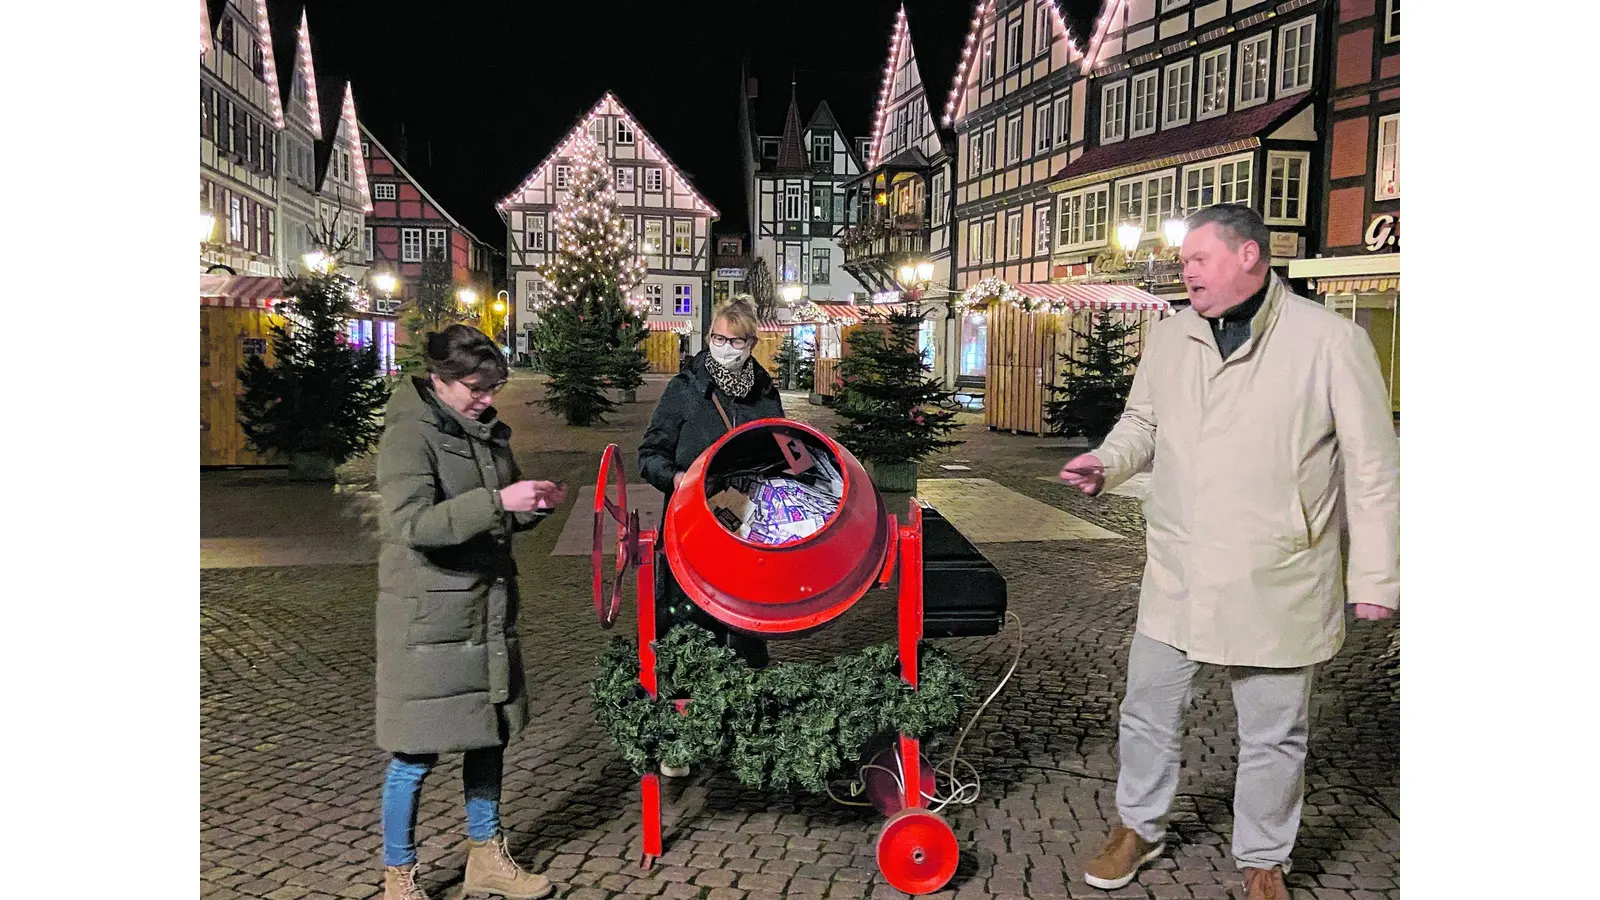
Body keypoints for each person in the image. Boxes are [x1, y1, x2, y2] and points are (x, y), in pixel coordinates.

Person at [1060, 205, 1399, 900]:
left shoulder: (1331, 341)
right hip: (1179, 568)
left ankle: (1265, 857)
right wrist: (1108, 463)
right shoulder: (1171, 335)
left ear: (1249, 256)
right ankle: (1139, 826)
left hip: (1279, 571)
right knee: (1146, 709)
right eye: (1184, 259)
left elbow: (1373, 468)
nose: (1184, 270)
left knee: (1275, 731)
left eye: (1198, 259)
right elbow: (1142, 421)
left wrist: (1376, 577)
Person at [374, 324, 566, 900]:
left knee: (489, 736)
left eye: (493, 388)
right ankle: (399, 877)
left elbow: (497, 508)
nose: (486, 399)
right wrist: (498, 502)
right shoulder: (410, 434)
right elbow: (412, 524)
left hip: (486, 608)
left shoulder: (485, 432)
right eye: (475, 388)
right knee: (414, 753)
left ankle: (486, 858)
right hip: (430, 619)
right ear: (440, 379)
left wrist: (529, 503)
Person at [639, 297, 783, 677]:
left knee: (744, 630)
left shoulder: (765, 394)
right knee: (689, 629)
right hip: (690, 530)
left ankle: (744, 681)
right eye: (718, 339)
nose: (726, 348)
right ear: (708, 338)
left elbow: (779, 451)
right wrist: (675, 478)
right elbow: (650, 454)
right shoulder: (684, 389)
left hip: (746, 534)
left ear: (751, 344)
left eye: (736, 341)